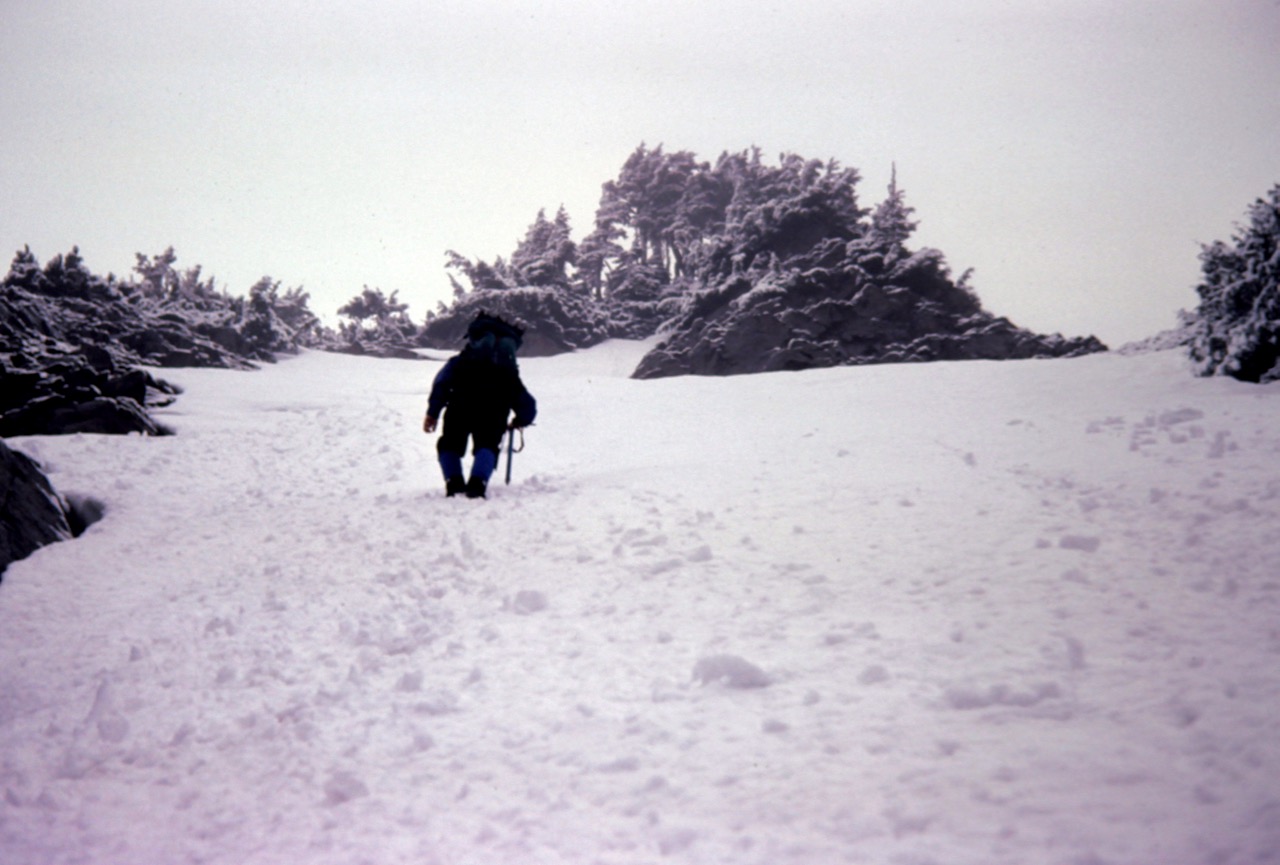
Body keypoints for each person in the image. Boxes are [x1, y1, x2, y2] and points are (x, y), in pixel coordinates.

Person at [423, 313, 537, 498]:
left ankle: (454, 482)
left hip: (459, 408)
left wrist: (432, 413)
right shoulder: (508, 372)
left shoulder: (459, 362)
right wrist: (521, 420)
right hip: (494, 413)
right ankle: (477, 483)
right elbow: (527, 403)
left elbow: (441, 385)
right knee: (487, 444)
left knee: (450, 444)